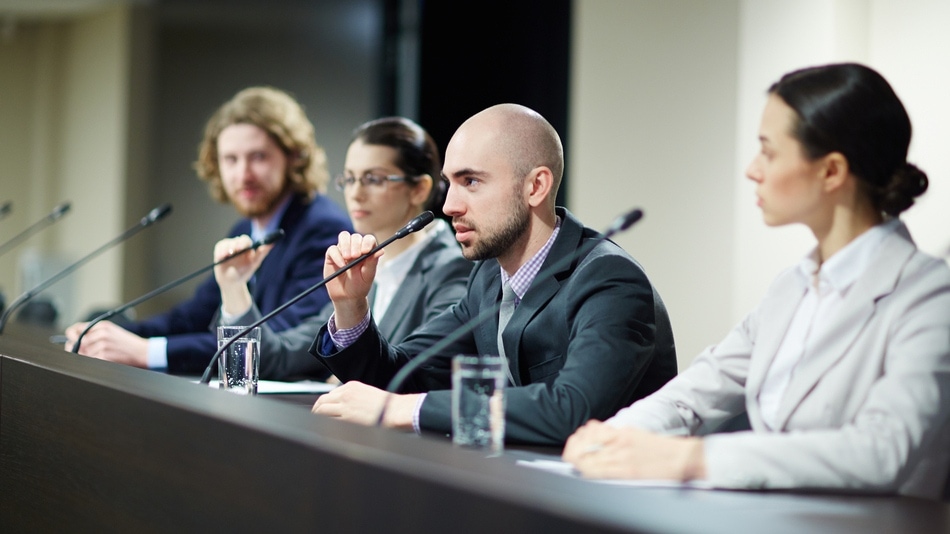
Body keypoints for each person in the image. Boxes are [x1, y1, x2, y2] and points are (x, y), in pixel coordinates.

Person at [562, 63, 950, 500]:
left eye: (768, 151)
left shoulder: (930, 294)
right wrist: (611, 437)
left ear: (831, 172)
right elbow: (695, 394)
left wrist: (692, 460)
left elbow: (881, 451)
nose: (752, 169)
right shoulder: (792, 287)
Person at [309, 103, 678, 446]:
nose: (450, 206)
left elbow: (573, 408)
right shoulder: (487, 277)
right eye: (450, 183)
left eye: (471, 182)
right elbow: (403, 376)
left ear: (535, 186)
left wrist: (405, 411)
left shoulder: (609, 280)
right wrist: (351, 307)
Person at [64, 86, 352, 374]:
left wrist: (144, 351)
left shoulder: (323, 229)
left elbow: (268, 344)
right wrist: (112, 335)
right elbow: (193, 316)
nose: (243, 175)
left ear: (293, 157)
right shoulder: (243, 229)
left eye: (259, 157)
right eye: (231, 159)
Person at [212, 117, 473, 381]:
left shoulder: (453, 271)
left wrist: (347, 373)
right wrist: (234, 287)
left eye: (373, 179)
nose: (355, 193)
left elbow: (416, 375)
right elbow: (276, 359)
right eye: (349, 179)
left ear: (419, 189)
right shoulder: (366, 267)